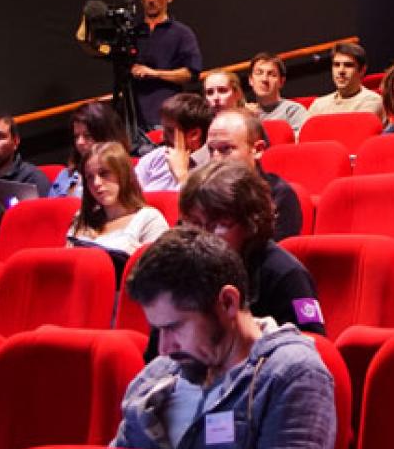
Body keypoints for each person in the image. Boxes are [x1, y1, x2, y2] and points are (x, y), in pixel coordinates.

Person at [110, 226, 335, 449]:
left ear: (227, 303)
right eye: (158, 330)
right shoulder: (155, 375)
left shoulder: (291, 374)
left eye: (175, 327)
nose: (164, 348)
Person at [177, 160, 325, 335]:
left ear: (251, 224)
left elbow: (311, 347)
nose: (203, 235)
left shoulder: (286, 275)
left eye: (219, 224)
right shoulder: (183, 269)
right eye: (194, 223)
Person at [202, 110, 306, 241]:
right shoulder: (203, 192)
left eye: (226, 149)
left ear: (258, 150)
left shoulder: (278, 195)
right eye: (211, 150)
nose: (215, 159)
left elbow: (274, 256)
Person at [128, 0, 203, 131]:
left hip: (164, 117)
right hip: (132, 119)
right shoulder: (131, 33)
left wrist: (154, 73)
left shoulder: (182, 33)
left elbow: (191, 73)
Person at [69, 142, 170, 255]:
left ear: (123, 174)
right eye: (90, 177)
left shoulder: (149, 219)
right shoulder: (82, 218)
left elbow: (159, 268)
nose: (96, 183)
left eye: (104, 173)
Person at [49, 100, 130, 198]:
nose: (79, 142)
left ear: (106, 136)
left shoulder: (125, 173)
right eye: (76, 136)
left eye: (87, 136)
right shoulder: (65, 176)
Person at [136, 94, 215, 192]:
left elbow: (202, 205)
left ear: (194, 134)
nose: (162, 137)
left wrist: (182, 174)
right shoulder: (155, 158)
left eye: (170, 131)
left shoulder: (213, 167)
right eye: (163, 129)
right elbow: (130, 198)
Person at [307, 42, 383, 118]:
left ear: (362, 70)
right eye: (336, 65)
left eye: (348, 65)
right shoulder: (319, 105)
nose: (341, 71)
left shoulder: (372, 101)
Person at [248, 53, 309, 133]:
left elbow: (300, 143)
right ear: (250, 80)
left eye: (272, 75)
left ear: (281, 82)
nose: (264, 79)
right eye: (259, 73)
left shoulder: (293, 111)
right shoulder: (246, 114)